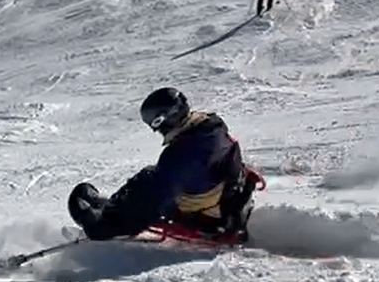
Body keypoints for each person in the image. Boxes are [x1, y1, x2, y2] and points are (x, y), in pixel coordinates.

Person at [68, 88, 265, 244]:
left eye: (154, 124)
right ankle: (114, 206)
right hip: (224, 195)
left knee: (150, 180)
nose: (156, 131)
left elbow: (158, 203)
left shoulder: (183, 155)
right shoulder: (210, 126)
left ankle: (109, 216)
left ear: (165, 119)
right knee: (156, 177)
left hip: (205, 212)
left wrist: (105, 229)